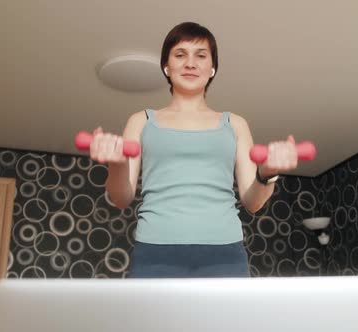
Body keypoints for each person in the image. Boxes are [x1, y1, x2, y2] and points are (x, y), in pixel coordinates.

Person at [89, 22, 299, 278]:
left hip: (225, 252)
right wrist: (118, 162)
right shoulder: (141, 121)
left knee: (225, 320)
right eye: (180, 55)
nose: (190, 63)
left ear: (212, 69)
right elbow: (121, 198)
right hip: (155, 250)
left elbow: (253, 203)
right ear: (166, 66)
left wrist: (267, 173)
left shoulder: (235, 124)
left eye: (200, 56)